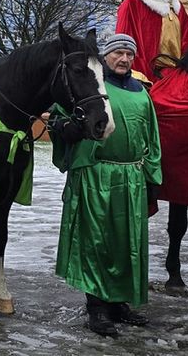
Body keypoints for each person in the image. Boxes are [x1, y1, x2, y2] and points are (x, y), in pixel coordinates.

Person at [49, 34, 161, 337]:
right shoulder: (91, 89)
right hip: (96, 175)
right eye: (117, 53)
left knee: (126, 243)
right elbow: (57, 120)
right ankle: (97, 307)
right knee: (97, 243)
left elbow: (152, 139)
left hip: (132, 179)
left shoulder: (141, 92)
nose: (123, 59)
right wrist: (64, 129)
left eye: (129, 54)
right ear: (105, 57)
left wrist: (152, 178)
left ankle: (118, 303)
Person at [115, 0, 188, 79]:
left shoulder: (175, 3)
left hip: (177, 72)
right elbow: (124, 41)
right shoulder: (133, 3)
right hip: (149, 74)